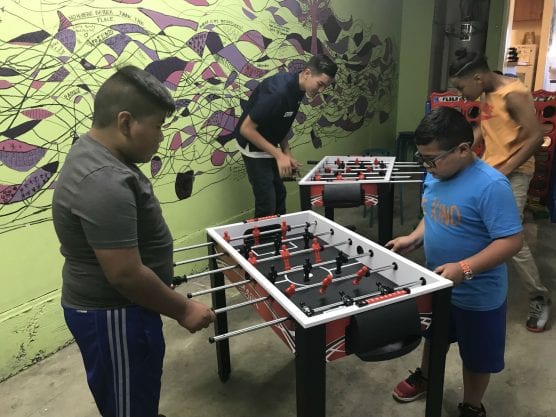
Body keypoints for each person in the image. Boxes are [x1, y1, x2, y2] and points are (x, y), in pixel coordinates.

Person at [52, 65, 216, 417]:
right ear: (125, 122)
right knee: (126, 404)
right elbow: (125, 274)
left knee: (133, 393)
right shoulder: (103, 179)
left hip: (126, 309)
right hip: (114, 314)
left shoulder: (100, 154)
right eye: (157, 126)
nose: (160, 137)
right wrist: (183, 308)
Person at [388, 107, 523, 417]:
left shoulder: (491, 186)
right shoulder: (437, 174)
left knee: (476, 357)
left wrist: (464, 269)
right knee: (433, 337)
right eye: (422, 159)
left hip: (478, 295)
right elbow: (432, 213)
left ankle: (472, 406)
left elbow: (511, 241)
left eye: (432, 159)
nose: (427, 166)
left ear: (464, 149)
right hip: (438, 284)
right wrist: (414, 237)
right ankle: (426, 376)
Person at [448, 48, 551, 332]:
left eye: (460, 87)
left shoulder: (513, 93)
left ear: (478, 78)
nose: (459, 94)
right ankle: (475, 282)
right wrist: (463, 147)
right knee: (475, 224)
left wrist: (505, 171)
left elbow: (536, 137)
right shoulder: (486, 92)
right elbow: (486, 127)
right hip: (491, 167)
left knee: (509, 238)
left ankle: (539, 296)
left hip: (515, 172)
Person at [235, 54, 337, 217]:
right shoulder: (278, 93)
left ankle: (278, 238)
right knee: (267, 204)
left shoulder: (299, 87)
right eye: (320, 84)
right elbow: (246, 129)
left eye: (325, 86)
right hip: (253, 146)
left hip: (269, 143)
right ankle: (262, 241)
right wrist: (279, 155)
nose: (321, 90)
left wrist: (286, 152)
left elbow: (281, 122)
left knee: (280, 196)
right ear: (307, 73)